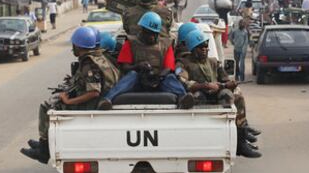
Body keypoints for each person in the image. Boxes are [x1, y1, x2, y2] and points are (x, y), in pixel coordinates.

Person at [20, 27, 120, 164]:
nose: (73, 48)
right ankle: (45, 144)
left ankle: (43, 151)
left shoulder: (89, 64)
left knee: (47, 106)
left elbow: (93, 92)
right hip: (99, 99)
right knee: (55, 99)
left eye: (74, 45)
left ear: (79, 46)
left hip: (93, 104)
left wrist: (69, 101)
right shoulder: (97, 56)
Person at [176, 29, 261, 158]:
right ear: (192, 49)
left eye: (206, 46)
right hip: (200, 94)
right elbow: (182, 81)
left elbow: (225, 78)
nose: (204, 49)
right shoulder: (183, 63)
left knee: (233, 94)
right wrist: (204, 85)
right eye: (200, 47)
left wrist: (229, 84)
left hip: (216, 93)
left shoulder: (213, 62)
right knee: (194, 97)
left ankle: (240, 141)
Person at [97, 12, 194, 110]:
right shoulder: (130, 43)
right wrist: (138, 66)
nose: (151, 37)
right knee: (131, 75)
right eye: (148, 33)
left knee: (171, 77)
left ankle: (183, 98)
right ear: (142, 30)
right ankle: (107, 100)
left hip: (159, 80)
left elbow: (169, 67)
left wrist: (158, 76)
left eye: (154, 33)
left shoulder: (166, 44)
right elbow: (124, 67)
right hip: (138, 80)